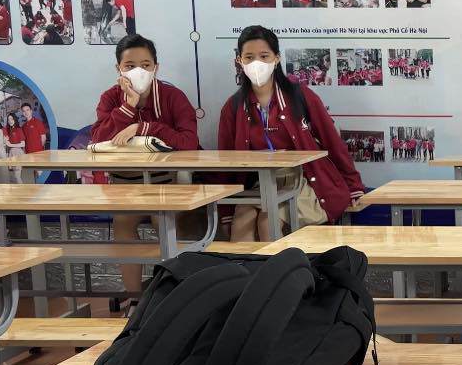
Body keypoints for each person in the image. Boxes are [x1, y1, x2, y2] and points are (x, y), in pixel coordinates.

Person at [217, 25, 364, 242]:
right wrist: (226, 212)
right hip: (260, 183)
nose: (257, 63)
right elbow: (225, 162)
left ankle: (279, 266)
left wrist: (353, 185)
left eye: (264, 56)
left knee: (268, 223)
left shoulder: (300, 96)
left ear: (276, 59)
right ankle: (247, 266)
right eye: (249, 57)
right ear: (240, 61)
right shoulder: (233, 107)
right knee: (240, 228)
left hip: (302, 179)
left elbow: (332, 141)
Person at [89, 34, 199, 296]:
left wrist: (144, 127)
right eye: (129, 66)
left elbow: (189, 141)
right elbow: (98, 139)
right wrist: (128, 107)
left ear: (156, 67)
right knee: (122, 224)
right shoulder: (110, 98)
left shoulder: (172, 96)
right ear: (118, 69)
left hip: (167, 182)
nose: (138, 71)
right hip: (126, 185)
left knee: (164, 220)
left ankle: (174, 297)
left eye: (146, 65)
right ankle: (135, 300)